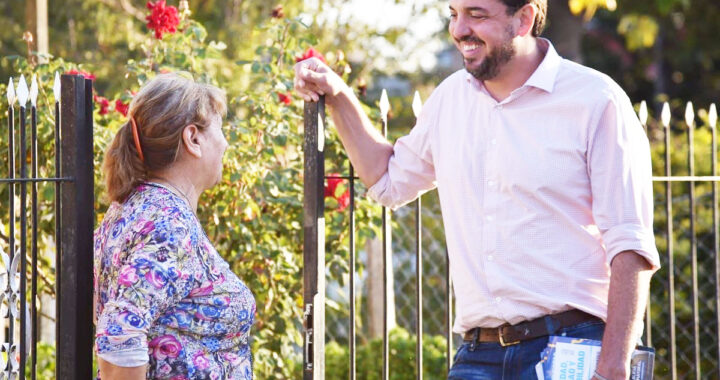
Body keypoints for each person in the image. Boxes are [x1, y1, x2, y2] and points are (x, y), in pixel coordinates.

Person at [294, 0, 660, 378]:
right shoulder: (450, 99)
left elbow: (630, 244)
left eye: (476, 15)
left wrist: (613, 367)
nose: (458, 29)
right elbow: (388, 181)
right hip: (478, 353)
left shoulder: (596, 100)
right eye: (453, 14)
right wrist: (336, 93)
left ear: (524, 18)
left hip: (571, 349)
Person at [94, 73, 255, 380]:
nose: (225, 143)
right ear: (193, 138)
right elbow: (119, 334)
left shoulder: (133, 209)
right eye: (219, 129)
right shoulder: (168, 223)